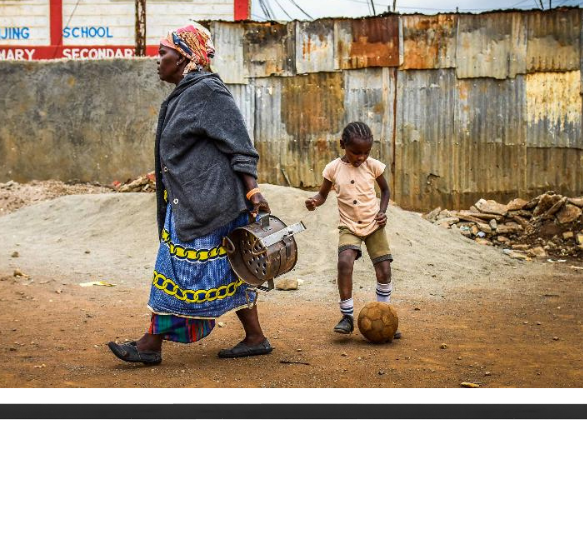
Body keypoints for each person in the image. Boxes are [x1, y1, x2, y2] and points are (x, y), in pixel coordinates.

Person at [108, 23, 273, 365]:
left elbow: (240, 147)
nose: (158, 60)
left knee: (174, 274)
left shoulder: (209, 92)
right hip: (193, 202)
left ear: (184, 58)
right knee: (232, 269)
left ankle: (149, 344)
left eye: (163, 53)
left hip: (209, 205)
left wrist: (254, 192)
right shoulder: (186, 92)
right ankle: (256, 337)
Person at [305, 121, 400, 338]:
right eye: (356, 152)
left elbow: (385, 191)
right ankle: (346, 316)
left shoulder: (373, 166)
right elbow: (322, 195)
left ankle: (385, 315)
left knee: (384, 268)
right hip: (348, 225)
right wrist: (314, 201)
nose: (361, 157)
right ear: (342, 145)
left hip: (374, 225)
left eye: (366, 152)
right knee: (344, 262)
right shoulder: (332, 169)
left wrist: (383, 211)